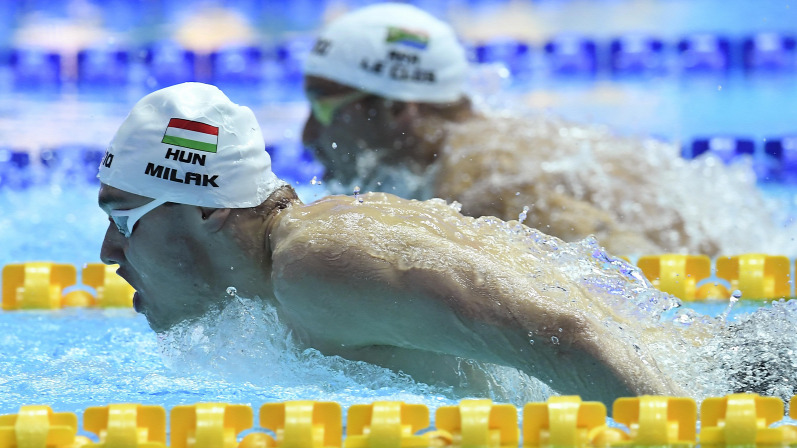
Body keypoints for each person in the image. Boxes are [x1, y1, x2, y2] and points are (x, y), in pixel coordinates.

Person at [98, 82, 695, 407]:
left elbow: (566, 335)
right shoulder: (306, 257)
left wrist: (678, 433)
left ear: (207, 209)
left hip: (720, 384)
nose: (108, 252)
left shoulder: (315, 266)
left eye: (124, 219)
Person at [301, 3, 789, 258]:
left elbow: (641, 273)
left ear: (395, 109)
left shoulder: (480, 185)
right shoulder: (507, 139)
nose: (306, 134)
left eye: (322, 107)